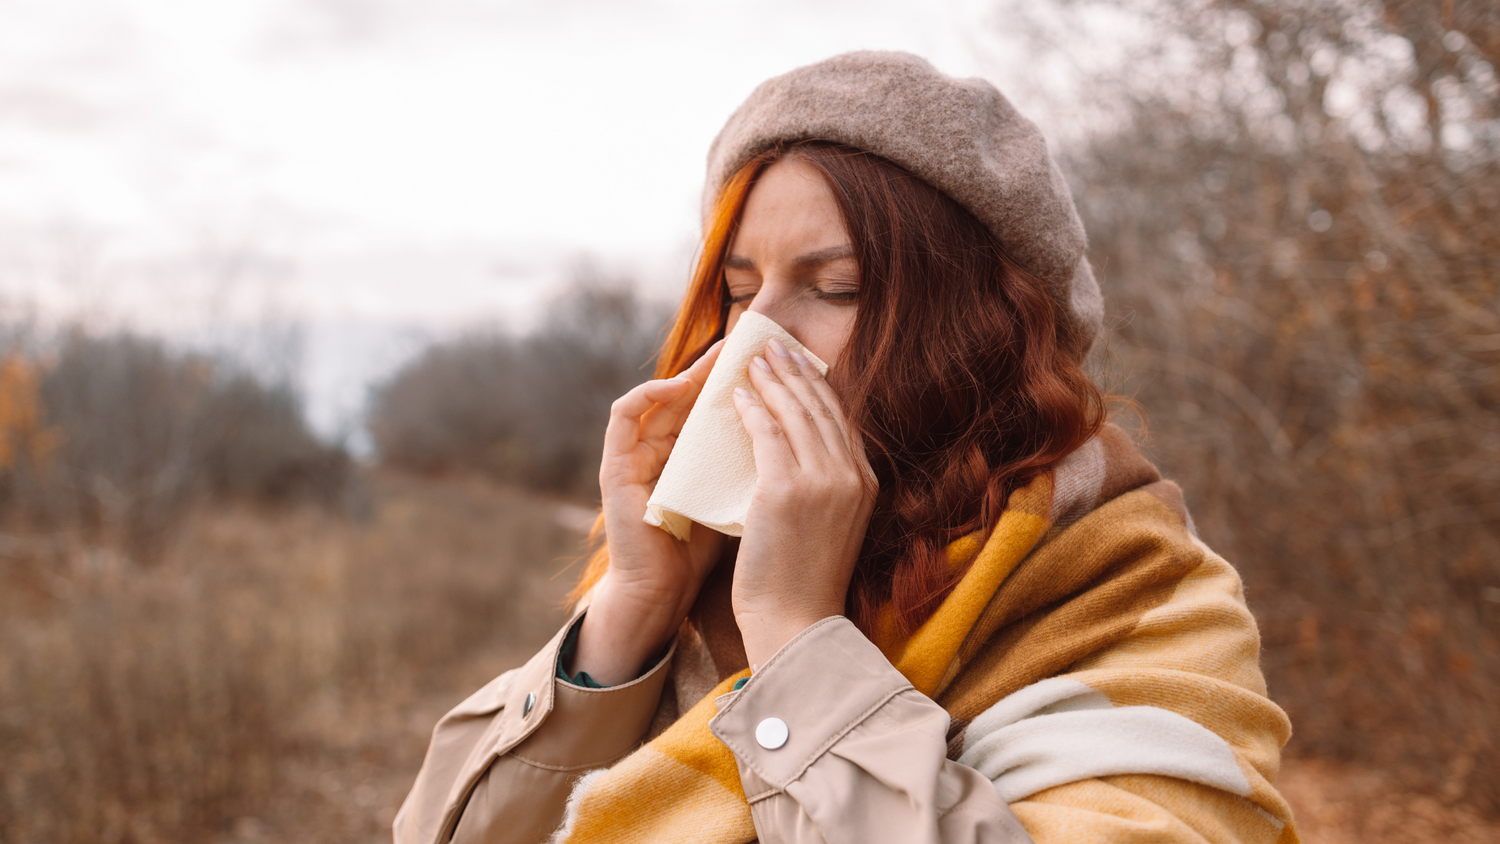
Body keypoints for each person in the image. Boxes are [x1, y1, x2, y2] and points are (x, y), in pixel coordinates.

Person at [394, 52, 1298, 844]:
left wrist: (797, 640)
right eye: (742, 295)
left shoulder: (1137, 597)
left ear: (984, 329)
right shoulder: (706, 573)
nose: (758, 345)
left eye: (837, 288)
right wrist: (632, 610)